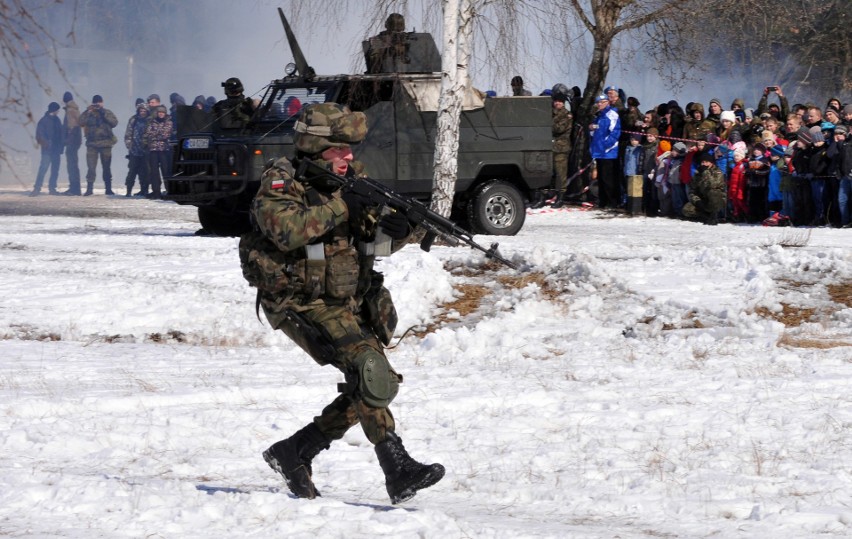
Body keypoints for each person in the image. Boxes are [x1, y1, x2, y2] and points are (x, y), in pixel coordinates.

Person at [240, 102, 444, 504]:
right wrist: (340, 207)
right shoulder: (283, 181)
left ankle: (296, 451)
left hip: (346, 298)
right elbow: (286, 231)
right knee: (370, 368)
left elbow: (370, 243)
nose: (349, 157)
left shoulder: (353, 180)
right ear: (316, 148)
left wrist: (399, 230)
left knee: (376, 382)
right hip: (300, 300)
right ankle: (397, 469)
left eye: (351, 148)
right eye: (339, 149)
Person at [78, 94, 118, 196]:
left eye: (99, 102)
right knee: (91, 168)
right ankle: (89, 189)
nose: (97, 104)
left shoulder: (107, 112)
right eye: (95, 102)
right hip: (92, 144)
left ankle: (108, 188)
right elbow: (80, 122)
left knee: (106, 168)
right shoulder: (89, 112)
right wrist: (88, 111)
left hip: (105, 144)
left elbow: (114, 123)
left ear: (102, 103)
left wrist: (103, 113)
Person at [589, 93, 621, 209]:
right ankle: (603, 201)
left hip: (608, 152)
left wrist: (606, 145)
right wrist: (592, 129)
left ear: (607, 102)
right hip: (598, 152)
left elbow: (615, 133)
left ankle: (612, 202)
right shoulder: (598, 116)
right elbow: (595, 133)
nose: (599, 104)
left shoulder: (612, 114)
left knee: (609, 179)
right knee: (601, 178)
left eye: (601, 102)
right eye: (598, 102)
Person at [682, 151, 726, 225]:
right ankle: (706, 216)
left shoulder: (717, 172)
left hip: (716, 199)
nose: (704, 164)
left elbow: (713, 185)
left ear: (711, 163)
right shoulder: (697, 174)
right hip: (703, 199)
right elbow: (692, 191)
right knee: (687, 210)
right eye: (702, 162)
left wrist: (706, 173)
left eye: (706, 162)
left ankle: (714, 215)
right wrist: (697, 201)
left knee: (713, 192)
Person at [30, 102, 64, 196]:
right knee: (43, 168)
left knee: (54, 170)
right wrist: (47, 144)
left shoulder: (56, 120)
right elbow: (39, 136)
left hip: (55, 149)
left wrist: (61, 146)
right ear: (54, 110)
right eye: (57, 110)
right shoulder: (44, 121)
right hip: (48, 150)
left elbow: (61, 134)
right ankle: (37, 188)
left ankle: (52, 188)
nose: (58, 111)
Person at [549, 88, 573, 208]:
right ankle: (546, 195)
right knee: (549, 173)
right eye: (556, 101)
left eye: (560, 101)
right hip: (550, 147)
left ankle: (560, 197)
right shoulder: (550, 113)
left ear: (563, 103)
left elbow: (558, 129)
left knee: (560, 174)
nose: (557, 103)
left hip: (561, 148)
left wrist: (547, 122)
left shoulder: (567, 115)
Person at [143, 105, 173, 199]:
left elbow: (165, 134)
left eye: (162, 112)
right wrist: (157, 134)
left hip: (164, 150)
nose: (161, 114)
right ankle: (156, 192)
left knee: (166, 171)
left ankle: (169, 191)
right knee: (154, 172)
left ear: (165, 113)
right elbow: (148, 134)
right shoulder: (151, 122)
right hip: (153, 150)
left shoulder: (169, 123)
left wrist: (155, 134)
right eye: (159, 112)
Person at [123, 103, 150, 197]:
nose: (142, 113)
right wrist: (129, 146)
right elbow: (128, 134)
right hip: (134, 151)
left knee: (145, 172)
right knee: (132, 172)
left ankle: (144, 190)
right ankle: (128, 190)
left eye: (144, 111)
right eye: (141, 111)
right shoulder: (133, 120)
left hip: (145, 151)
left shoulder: (149, 121)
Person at [61, 91, 82, 195]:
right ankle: (74, 187)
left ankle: (75, 188)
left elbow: (75, 125)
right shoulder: (73, 109)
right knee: (72, 164)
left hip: (72, 141)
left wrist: (68, 137)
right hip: (74, 140)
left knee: (72, 164)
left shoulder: (71, 110)